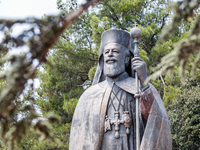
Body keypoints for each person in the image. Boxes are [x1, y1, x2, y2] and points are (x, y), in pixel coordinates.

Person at [69, 29, 172, 150]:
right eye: (106, 52)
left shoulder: (141, 87)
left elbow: (156, 121)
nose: (110, 54)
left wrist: (144, 81)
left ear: (127, 58)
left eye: (115, 51)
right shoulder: (89, 95)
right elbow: (80, 138)